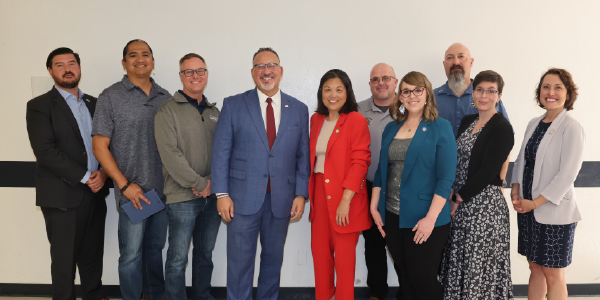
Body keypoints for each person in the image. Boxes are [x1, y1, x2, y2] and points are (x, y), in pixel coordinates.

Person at [211, 47, 310, 300]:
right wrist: (221, 193)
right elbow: (221, 152)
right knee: (239, 265)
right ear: (253, 73)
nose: (267, 72)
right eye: (260, 67)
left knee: (272, 263)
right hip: (241, 199)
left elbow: (302, 156)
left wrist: (301, 193)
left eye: (272, 66)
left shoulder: (299, 109)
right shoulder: (233, 104)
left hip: (281, 200)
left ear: (281, 70)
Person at [26, 47, 110, 300]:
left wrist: (104, 173)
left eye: (71, 63)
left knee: (93, 258)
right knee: (64, 262)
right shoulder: (39, 105)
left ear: (79, 68)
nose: (67, 68)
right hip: (63, 194)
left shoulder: (95, 104)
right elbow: (45, 150)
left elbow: (108, 145)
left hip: (96, 194)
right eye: (59, 65)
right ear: (51, 71)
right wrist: (87, 176)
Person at [92, 39, 171, 300]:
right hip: (133, 193)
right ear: (124, 63)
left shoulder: (165, 97)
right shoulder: (110, 97)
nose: (140, 59)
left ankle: (154, 296)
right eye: (133, 55)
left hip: (161, 192)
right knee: (131, 255)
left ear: (153, 62)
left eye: (145, 54)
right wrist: (125, 186)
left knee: (154, 250)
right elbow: (100, 147)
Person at [371, 71, 457, 300]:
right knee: (406, 278)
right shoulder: (391, 128)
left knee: (423, 279)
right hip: (393, 215)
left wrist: (430, 219)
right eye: (406, 91)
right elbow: (382, 170)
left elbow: (446, 178)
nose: (412, 95)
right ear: (400, 96)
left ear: (427, 93)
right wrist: (374, 206)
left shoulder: (441, 127)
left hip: (426, 217)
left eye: (418, 90)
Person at [440, 70, 514, 299]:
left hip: (484, 208)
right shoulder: (467, 121)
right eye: (480, 90)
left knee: (478, 267)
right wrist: (452, 194)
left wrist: (456, 199)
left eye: (491, 91)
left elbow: (487, 173)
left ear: (499, 96)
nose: (484, 95)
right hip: (461, 205)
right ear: (473, 92)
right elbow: (454, 160)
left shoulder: (502, 127)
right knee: (460, 263)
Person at [511, 68, 584, 300]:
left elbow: (567, 174)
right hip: (528, 209)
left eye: (557, 87)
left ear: (568, 93)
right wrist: (515, 190)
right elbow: (522, 159)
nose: (550, 92)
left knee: (553, 273)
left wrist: (536, 203)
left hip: (553, 211)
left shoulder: (571, 126)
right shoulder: (534, 123)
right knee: (535, 267)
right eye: (546, 87)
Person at [155, 53, 221, 300]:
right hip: (182, 197)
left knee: (205, 255)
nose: (195, 76)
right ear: (181, 76)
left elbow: (224, 150)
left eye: (200, 71)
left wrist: (212, 183)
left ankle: (202, 296)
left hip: (212, 197)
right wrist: (200, 184)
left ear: (206, 74)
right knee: (177, 258)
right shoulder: (167, 111)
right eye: (189, 72)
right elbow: (170, 155)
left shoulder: (215, 111)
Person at [309, 69, 372, 300]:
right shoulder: (315, 120)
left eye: (338, 89)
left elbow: (360, 161)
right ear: (321, 93)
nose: (332, 95)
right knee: (321, 258)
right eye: (327, 89)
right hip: (318, 195)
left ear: (347, 93)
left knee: (344, 264)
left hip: (346, 197)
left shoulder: (355, 120)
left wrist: (345, 200)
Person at [358, 63, 397, 300]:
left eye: (386, 78)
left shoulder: (408, 108)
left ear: (395, 81)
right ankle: (377, 292)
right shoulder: (357, 110)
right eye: (375, 79)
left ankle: (409, 291)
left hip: (401, 189)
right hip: (369, 187)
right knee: (373, 243)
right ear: (370, 84)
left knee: (402, 244)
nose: (380, 83)